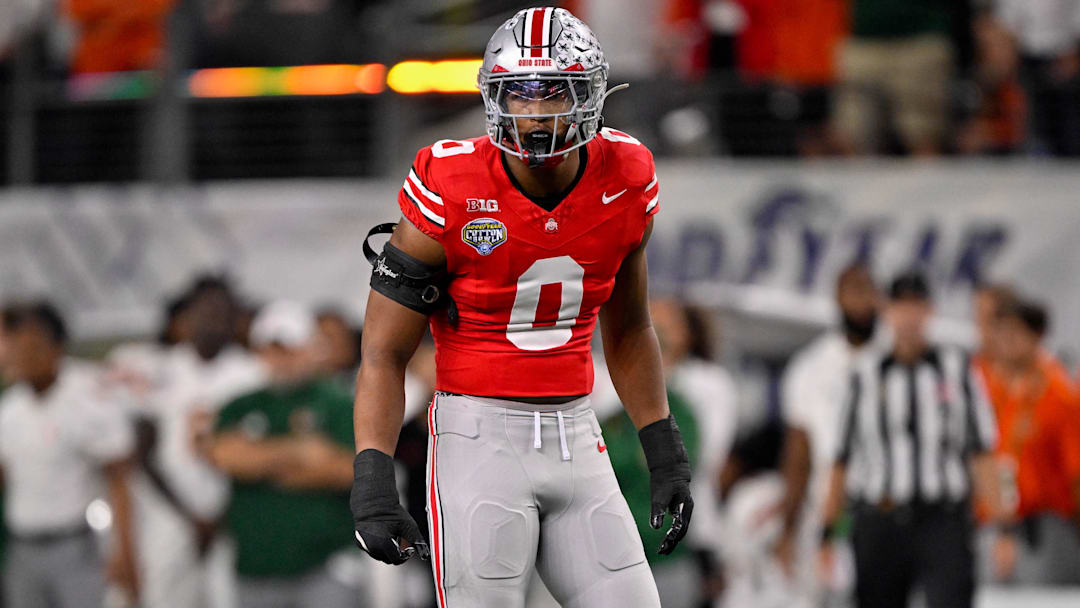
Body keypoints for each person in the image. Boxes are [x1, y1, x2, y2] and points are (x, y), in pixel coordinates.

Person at [349, 7, 691, 608]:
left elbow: (631, 328)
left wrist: (664, 452)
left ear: (590, 94)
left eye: (552, 93)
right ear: (492, 97)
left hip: (578, 435)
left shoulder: (628, 173)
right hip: (477, 439)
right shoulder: (448, 182)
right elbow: (383, 350)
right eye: (519, 95)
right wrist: (374, 481)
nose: (535, 114)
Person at [821, 271, 1002, 608]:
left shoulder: (959, 369)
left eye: (916, 306)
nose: (909, 317)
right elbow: (840, 458)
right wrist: (827, 532)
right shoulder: (863, 373)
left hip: (942, 519)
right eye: (901, 306)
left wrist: (1005, 528)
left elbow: (982, 451)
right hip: (880, 518)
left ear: (930, 310)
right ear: (887, 310)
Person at [207, 301, 362, 608]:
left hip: (324, 565)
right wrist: (300, 451)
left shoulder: (337, 401)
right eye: (272, 349)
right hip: (256, 568)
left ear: (309, 348)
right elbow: (226, 457)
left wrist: (259, 462)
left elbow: (348, 471)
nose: (281, 359)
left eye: (290, 348)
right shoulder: (240, 404)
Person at [131, 276, 267, 608]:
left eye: (222, 314)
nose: (213, 322)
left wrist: (219, 514)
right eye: (205, 312)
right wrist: (189, 515)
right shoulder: (160, 369)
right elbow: (143, 452)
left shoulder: (253, 373)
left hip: (235, 512)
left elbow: (263, 451)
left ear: (235, 319)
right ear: (187, 316)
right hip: (170, 512)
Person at [0, 302, 138, 608]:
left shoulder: (88, 397)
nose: (17, 355)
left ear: (54, 348)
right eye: (13, 345)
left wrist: (124, 551)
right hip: (22, 548)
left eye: (29, 346)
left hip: (76, 546)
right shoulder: (9, 409)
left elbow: (118, 480)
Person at [775, 263, 880, 606]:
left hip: (890, 514)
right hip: (827, 515)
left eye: (868, 291)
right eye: (854, 292)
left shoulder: (899, 361)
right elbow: (798, 454)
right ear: (837, 298)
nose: (862, 302)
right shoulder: (811, 369)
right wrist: (788, 529)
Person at [981, 300, 1080, 584]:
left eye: (1016, 333)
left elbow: (1075, 474)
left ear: (1037, 336)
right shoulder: (984, 388)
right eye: (1001, 332)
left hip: (1045, 528)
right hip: (991, 528)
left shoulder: (1059, 394)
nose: (1007, 341)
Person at [648, 297, 737, 607]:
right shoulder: (614, 379)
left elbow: (706, 455)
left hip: (693, 530)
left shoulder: (710, 383)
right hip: (630, 530)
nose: (657, 330)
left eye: (667, 324)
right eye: (650, 320)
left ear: (687, 334)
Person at [830, 0, 959, 155]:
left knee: (922, 134)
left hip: (920, 40)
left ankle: (928, 178)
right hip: (863, 39)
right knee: (853, 133)